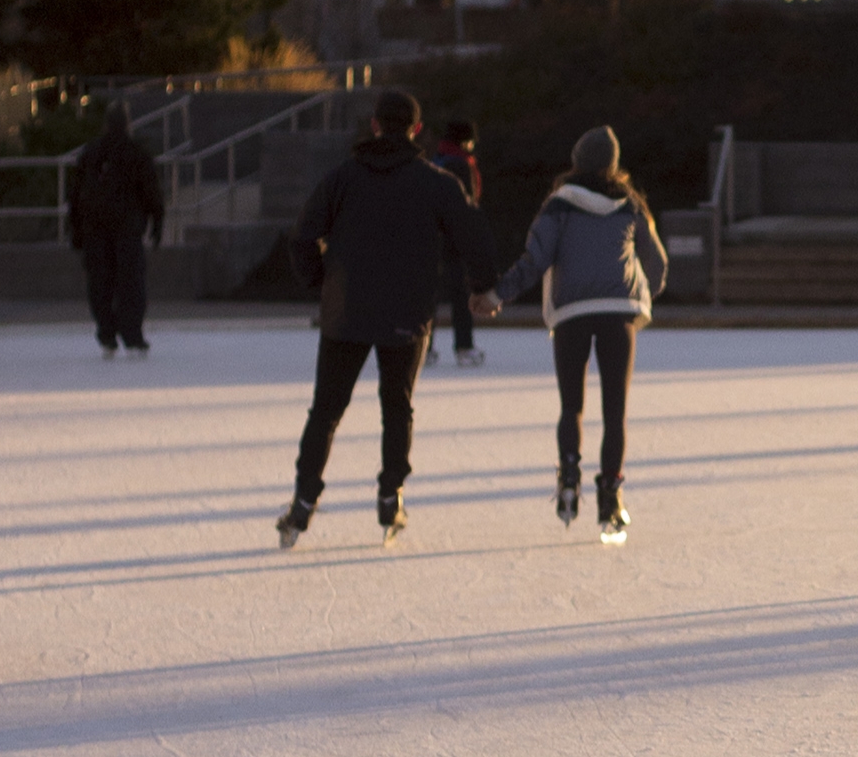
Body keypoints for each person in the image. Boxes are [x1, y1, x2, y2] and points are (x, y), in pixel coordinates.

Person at [279, 90, 493, 544]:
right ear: (415, 130)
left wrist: (322, 283)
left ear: (375, 125)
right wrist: (482, 286)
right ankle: (390, 494)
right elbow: (472, 235)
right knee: (397, 407)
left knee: (326, 412)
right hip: (406, 312)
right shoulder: (436, 183)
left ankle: (303, 499)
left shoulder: (341, 179)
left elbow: (303, 237)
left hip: (345, 311)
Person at [496, 125, 668, 539]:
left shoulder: (559, 205)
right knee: (615, 412)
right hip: (619, 313)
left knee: (572, 405)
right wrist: (644, 292)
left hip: (572, 311)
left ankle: (569, 476)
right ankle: (610, 496)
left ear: (576, 160)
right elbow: (657, 263)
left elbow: (535, 260)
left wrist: (498, 294)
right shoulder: (631, 205)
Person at [63, 100, 165, 358]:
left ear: (106, 123)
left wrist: (75, 229)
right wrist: (157, 223)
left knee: (100, 284)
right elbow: (151, 192)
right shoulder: (136, 153)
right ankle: (132, 336)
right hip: (127, 229)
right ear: (128, 123)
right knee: (130, 284)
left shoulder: (91, 153)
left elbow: (75, 196)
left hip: (95, 229)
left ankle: (107, 334)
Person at [435, 116, 487, 366]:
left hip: (433, 239)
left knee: (428, 295)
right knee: (461, 295)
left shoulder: (436, 161)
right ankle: (464, 347)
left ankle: (423, 347)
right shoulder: (461, 166)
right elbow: (466, 208)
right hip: (455, 241)